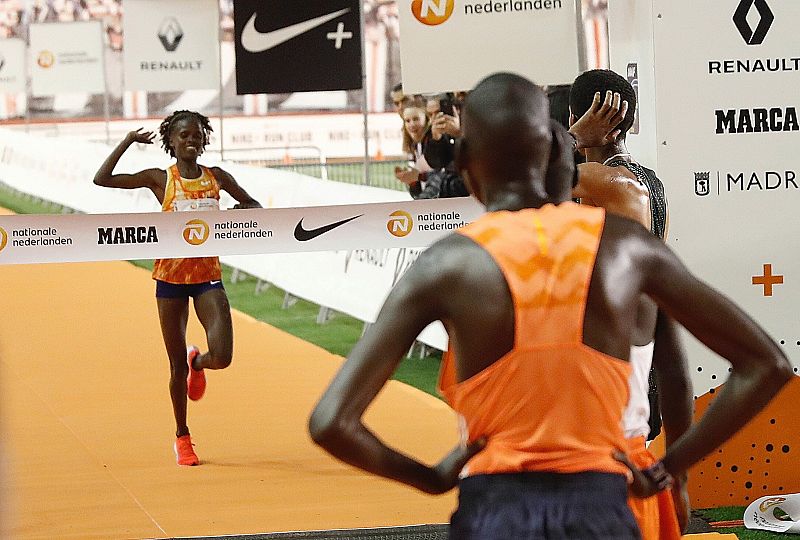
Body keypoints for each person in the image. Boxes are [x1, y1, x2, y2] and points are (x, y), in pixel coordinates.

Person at [308, 72, 792, 539]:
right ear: (555, 153)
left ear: (463, 163)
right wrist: (670, 469)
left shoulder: (446, 264)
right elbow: (765, 363)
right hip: (602, 504)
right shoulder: (624, 246)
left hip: (494, 507)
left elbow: (331, 422)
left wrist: (431, 478)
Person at [93, 110, 261, 466]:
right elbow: (102, 179)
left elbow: (252, 205)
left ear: (204, 140)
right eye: (183, 135)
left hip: (206, 276)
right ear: (171, 142)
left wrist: (232, 214)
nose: (191, 140)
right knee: (174, 368)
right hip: (170, 278)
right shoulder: (160, 179)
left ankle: (198, 361)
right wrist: (126, 142)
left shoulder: (217, 177)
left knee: (224, 356)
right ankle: (183, 437)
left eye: (197, 135)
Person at [569, 69, 689, 538]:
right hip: (645, 346)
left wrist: (571, 137)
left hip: (605, 362)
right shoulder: (650, 181)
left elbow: (516, 182)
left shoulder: (597, 181)